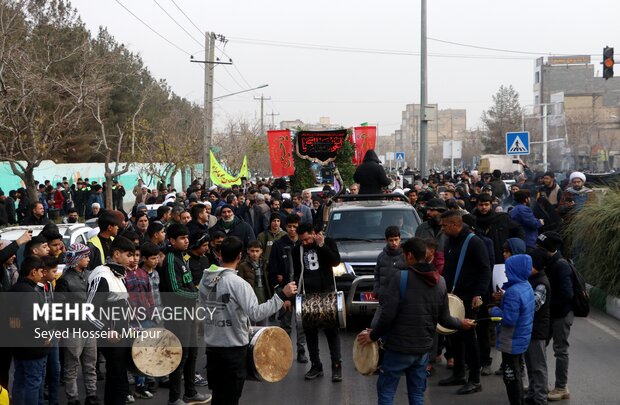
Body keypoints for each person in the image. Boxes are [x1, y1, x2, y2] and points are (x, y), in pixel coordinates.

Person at [357, 237, 476, 405]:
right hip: (422, 351)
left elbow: (387, 315)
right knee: (417, 395)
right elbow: (445, 319)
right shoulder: (440, 282)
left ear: (410, 256)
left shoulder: (400, 278)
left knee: (386, 392)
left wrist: (373, 336)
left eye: (404, 255)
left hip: (398, 348)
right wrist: (461, 323)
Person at [198, 236, 297, 405]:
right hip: (233, 351)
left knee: (218, 397)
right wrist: (282, 295)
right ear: (240, 256)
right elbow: (256, 313)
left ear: (220, 254)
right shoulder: (239, 284)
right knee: (230, 399)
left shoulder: (205, 280)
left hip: (213, 350)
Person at [437, 210, 491, 395]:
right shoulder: (451, 241)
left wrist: (479, 294)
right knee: (454, 337)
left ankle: (475, 379)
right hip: (453, 297)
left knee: (469, 338)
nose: (442, 229)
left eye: (445, 225)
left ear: (455, 224)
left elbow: (485, 269)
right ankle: (459, 374)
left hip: (469, 299)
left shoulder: (474, 242)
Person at [158, 224, 210, 405]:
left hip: (188, 314)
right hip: (177, 315)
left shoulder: (182, 258)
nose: (186, 240)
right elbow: (175, 290)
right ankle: (174, 398)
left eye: (187, 237)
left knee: (192, 353)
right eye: (182, 238)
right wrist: (197, 295)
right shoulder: (172, 260)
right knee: (179, 356)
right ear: (172, 241)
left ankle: (190, 392)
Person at [292, 222, 342, 382]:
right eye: (302, 240)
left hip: (327, 294)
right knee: (310, 332)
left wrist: (321, 245)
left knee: (331, 332)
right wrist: (294, 298)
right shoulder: (297, 249)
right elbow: (297, 273)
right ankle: (316, 365)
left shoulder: (328, 242)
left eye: (307, 239)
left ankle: (336, 366)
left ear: (314, 233)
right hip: (307, 295)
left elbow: (335, 261)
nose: (304, 243)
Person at [490, 254, 535, 405]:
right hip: (521, 338)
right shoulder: (526, 286)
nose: (505, 272)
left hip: (511, 340)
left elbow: (509, 320)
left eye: (508, 269)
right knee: (516, 373)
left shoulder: (513, 292)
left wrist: (495, 311)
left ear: (515, 270)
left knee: (510, 377)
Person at [535, 232, 573, 402]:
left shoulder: (560, 265)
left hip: (560, 315)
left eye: (540, 247)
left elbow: (566, 294)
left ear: (549, 249)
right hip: (549, 314)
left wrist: (548, 305)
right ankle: (541, 384)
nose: (537, 250)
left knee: (560, 350)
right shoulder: (547, 262)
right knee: (540, 347)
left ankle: (561, 387)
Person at [9, 256, 50, 405]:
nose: (42, 275)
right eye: (41, 271)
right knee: (33, 383)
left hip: (18, 344)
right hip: (33, 346)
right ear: (33, 272)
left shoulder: (14, 289)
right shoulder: (29, 293)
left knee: (19, 380)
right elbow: (31, 320)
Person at [267, 214, 307, 363]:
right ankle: (284, 351)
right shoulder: (279, 245)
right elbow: (272, 272)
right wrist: (283, 297)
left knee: (302, 325)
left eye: (295, 227)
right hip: (285, 292)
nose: (292, 230)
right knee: (285, 325)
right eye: (289, 226)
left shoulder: (303, 244)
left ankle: (301, 351)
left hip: (302, 292)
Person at [524, 249, 551, 405]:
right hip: (531, 329)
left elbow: (533, 305)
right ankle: (533, 395)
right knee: (530, 364)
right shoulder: (533, 278)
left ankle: (540, 399)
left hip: (538, 330)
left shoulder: (541, 283)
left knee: (538, 366)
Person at [371, 225, 405, 328]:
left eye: (396, 240)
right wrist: (377, 290)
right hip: (384, 301)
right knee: (375, 326)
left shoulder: (405, 257)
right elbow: (377, 274)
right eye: (391, 240)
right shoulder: (381, 256)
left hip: (400, 302)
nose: (394, 243)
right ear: (386, 240)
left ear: (400, 239)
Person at [238, 240, 269, 306]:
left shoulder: (265, 263)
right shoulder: (243, 265)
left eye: (257, 251)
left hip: (265, 292)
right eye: (252, 251)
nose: (254, 254)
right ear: (248, 251)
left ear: (261, 251)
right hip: (251, 293)